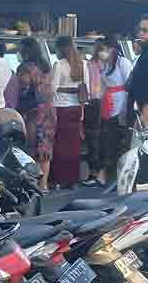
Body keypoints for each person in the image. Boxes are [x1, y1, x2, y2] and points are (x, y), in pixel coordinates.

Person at [19, 37, 55, 189]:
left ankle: (32, 184)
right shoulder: (46, 66)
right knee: (45, 148)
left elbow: (24, 91)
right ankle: (44, 184)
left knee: (31, 147)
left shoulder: (25, 68)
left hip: (33, 113)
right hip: (48, 111)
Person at [96, 35, 133, 183]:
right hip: (108, 104)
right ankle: (105, 173)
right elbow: (103, 85)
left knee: (117, 141)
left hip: (120, 105)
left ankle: (113, 174)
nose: (101, 52)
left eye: (104, 49)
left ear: (113, 49)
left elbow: (129, 86)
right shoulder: (104, 65)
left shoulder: (123, 63)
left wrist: (125, 108)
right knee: (106, 140)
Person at [50, 36, 86, 188]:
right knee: (74, 145)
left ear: (61, 48)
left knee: (60, 145)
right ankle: (73, 179)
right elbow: (85, 88)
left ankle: (59, 179)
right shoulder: (82, 64)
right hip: (76, 108)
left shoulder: (59, 65)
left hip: (61, 108)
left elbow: (53, 87)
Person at [82, 39, 106, 185]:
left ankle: (94, 173)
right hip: (100, 102)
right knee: (96, 137)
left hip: (94, 102)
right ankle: (96, 172)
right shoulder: (99, 64)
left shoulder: (90, 64)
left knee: (93, 137)